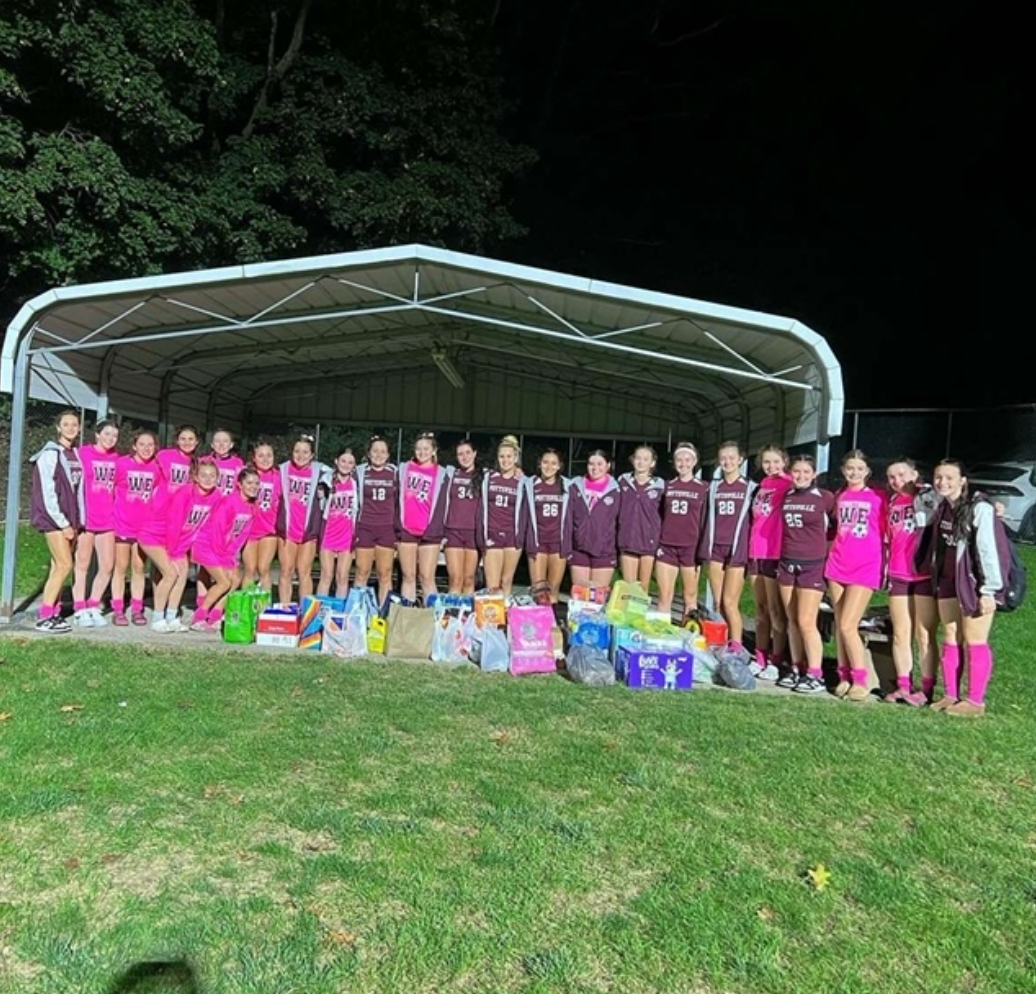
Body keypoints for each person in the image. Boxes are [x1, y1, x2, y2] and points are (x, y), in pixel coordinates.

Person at [920, 459, 1002, 716]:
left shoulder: (979, 509)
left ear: (963, 480)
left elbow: (989, 550)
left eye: (949, 478)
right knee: (950, 636)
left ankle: (975, 701)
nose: (942, 482)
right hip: (947, 580)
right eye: (938, 477)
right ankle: (950, 695)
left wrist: (989, 589)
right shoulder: (942, 505)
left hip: (974, 583)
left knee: (974, 639)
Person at [825, 449, 888, 702]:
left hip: (865, 566)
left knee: (848, 625)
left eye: (859, 468)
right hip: (838, 564)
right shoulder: (840, 496)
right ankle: (844, 676)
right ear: (843, 470)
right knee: (840, 624)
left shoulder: (878, 498)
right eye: (850, 468)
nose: (854, 472)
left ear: (867, 471)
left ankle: (861, 679)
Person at [775, 454, 836, 694]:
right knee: (791, 620)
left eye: (805, 472)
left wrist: (827, 554)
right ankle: (797, 667)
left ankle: (815, 674)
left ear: (814, 475)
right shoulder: (787, 495)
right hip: (787, 562)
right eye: (796, 472)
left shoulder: (825, 498)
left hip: (812, 564)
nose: (800, 476)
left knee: (806, 621)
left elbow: (838, 527)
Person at [139, 459, 222, 632]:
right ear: (195, 477)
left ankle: (171, 617)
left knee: (182, 574)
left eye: (212, 476)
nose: (208, 479)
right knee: (170, 573)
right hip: (155, 536)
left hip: (178, 541)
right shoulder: (184, 493)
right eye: (203, 475)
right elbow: (174, 524)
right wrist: (173, 552)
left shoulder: (216, 496)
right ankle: (157, 618)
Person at [883, 458, 939, 706]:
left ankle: (926, 689)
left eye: (902, 474)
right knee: (900, 633)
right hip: (898, 574)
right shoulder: (893, 502)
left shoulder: (929, 498)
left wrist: (995, 507)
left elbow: (956, 503)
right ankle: (903, 685)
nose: (897, 481)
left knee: (924, 634)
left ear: (914, 474)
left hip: (924, 574)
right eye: (892, 477)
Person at [28, 409, 82, 633]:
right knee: (64, 565)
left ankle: (54, 612)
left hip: (70, 518)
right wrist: (63, 523)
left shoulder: (75, 454)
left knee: (56, 567)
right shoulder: (50, 454)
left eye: (75, 424)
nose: (71, 428)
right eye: (66, 424)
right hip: (55, 519)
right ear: (58, 427)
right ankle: (44, 616)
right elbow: (48, 493)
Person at [189, 468, 260, 631]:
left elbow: (242, 535)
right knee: (224, 582)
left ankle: (216, 614)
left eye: (256, 483)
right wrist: (223, 558)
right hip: (207, 546)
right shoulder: (228, 502)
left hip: (224, 550)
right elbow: (217, 531)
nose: (253, 486)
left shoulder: (250, 506)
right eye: (249, 483)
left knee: (236, 579)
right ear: (239, 484)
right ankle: (199, 615)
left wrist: (232, 557)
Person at [700, 441, 754, 649]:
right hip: (716, 548)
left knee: (730, 602)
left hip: (736, 550)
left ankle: (737, 645)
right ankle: (720, 642)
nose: (727, 462)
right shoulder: (713, 487)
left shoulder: (750, 488)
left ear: (740, 459)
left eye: (732, 457)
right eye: (723, 458)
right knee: (717, 602)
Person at [748, 445, 794, 680]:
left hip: (774, 552)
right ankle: (760, 655)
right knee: (760, 609)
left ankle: (777, 659)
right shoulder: (762, 486)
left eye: (776, 462)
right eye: (767, 462)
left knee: (776, 610)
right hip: (756, 551)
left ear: (784, 462)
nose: (771, 467)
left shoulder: (788, 484)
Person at [70, 419, 120, 628]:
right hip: (86, 519)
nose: (110, 439)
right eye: (106, 434)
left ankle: (93, 604)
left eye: (114, 436)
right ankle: (79, 608)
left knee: (107, 566)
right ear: (97, 435)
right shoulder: (83, 453)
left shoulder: (117, 459)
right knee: (81, 564)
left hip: (107, 520)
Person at [111, 429, 161, 626]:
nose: (146, 449)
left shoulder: (156, 468)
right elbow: (110, 489)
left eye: (150, 445)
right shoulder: (122, 464)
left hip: (144, 528)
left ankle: (137, 609)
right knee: (121, 567)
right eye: (142, 444)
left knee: (139, 568)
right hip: (123, 524)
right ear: (134, 446)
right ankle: (117, 609)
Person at [654, 442, 708, 619]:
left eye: (687, 459)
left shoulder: (703, 488)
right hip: (667, 545)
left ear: (694, 461)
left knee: (690, 597)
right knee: (664, 596)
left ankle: (688, 636)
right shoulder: (667, 486)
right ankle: (662, 636)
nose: (683, 463)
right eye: (679, 459)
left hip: (690, 548)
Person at [275, 435, 330, 605]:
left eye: (305, 452)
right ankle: (284, 608)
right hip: (288, 530)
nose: (301, 455)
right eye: (297, 451)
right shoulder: (283, 469)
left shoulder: (321, 471)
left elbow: (341, 473)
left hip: (308, 530)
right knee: (286, 571)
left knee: (304, 571)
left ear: (312, 455)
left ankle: (305, 613)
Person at [396, 432, 448, 604]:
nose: (422, 452)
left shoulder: (442, 473)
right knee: (408, 576)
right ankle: (406, 618)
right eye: (418, 449)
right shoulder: (404, 468)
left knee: (427, 577)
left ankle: (433, 620)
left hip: (429, 531)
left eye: (426, 449)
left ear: (434, 450)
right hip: (407, 529)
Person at [353, 435, 398, 606]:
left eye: (382, 451)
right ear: (369, 454)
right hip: (365, 527)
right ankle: (358, 611)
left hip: (386, 528)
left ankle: (383, 613)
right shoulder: (359, 471)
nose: (378, 455)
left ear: (388, 455)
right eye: (375, 451)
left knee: (385, 574)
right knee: (362, 572)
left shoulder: (395, 473)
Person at [522, 448, 571, 602]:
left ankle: (551, 625)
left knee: (553, 590)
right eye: (545, 462)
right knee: (539, 590)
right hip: (538, 542)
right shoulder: (529, 484)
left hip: (558, 543)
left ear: (559, 466)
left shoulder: (568, 485)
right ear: (539, 464)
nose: (549, 466)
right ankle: (538, 624)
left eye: (553, 463)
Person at [479, 435, 525, 595]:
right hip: (492, 533)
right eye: (502, 456)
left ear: (516, 458)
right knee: (493, 584)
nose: (505, 460)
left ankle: (505, 618)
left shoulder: (523, 481)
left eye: (509, 457)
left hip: (512, 536)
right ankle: (490, 618)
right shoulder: (488, 477)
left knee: (506, 581)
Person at [568, 450, 620, 589]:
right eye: (591, 463)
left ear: (608, 465)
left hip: (604, 550)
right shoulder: (574, 485)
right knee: (580, 597)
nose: (595, 468)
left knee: (597, 597)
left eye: (600, 464)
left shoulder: (617, 490)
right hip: (579, 548)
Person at [616, 445, 665, 588]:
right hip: (628, 539)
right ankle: (627, 611)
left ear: (652, 463)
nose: (641, 462)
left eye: (645, 459)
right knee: (629, 587)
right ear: (633, 460)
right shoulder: (622, 481)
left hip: (648, 542)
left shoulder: (660, 486)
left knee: (643, 589)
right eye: (638, 458)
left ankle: (640, 611)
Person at [317, 449, 358, 599]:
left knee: (342, 577)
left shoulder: (355, 484)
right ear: (336, 461)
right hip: (328, 533)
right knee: (326, 576)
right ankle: (319, 612)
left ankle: (339, 613)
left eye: (350, 462)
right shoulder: (327, 480)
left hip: (346, 535)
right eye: (343, 461)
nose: (346, 465)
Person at [442, 440, 481, 595]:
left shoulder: (484, 476)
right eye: (460, 454)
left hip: (473, 533)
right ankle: (453, 615)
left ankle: (467, 616)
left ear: (475, 454)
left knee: (469, 579)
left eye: (468, 453)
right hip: (453, 531)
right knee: (455, 579)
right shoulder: (451, 474)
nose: (464, 457)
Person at [242, 440, 281, 592]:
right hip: (249, 529)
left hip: (269, 530)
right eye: (261, 455)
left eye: (269, 455)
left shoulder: (278, 477)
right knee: (250, 569)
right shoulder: (246, 474)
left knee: (264, 568)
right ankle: (247, 606)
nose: (265, 459)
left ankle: (265, 605)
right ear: (254, 458)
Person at [157, 425, 201, 495]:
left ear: (196, 442)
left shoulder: (199, 462)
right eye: (183, 439)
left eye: (191, 439)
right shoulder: (163, 455)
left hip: (183, 504)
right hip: (163, 503)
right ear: (177, 441)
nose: (187, 443)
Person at [208, 429, 244, 498]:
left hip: (229, 505)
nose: (221, 444)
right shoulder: (204, 461)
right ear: (212, 444)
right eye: (217, 441)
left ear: (231, 445)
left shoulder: (238, 463)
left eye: (225, 441)